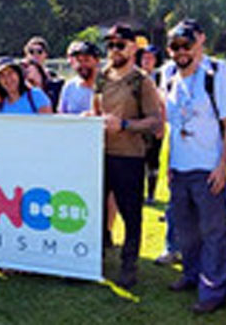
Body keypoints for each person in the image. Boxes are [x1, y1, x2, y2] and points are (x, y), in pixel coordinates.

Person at [162, 22, 226, 314]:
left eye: (187, 45)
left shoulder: (215, 74)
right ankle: (192, 274)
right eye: (175, 47)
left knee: (214, 231)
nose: (181, 52)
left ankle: (214, 289)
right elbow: (172, 126)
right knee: (186, 230)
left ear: (199, 43)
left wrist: (222, 165)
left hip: (207, 167)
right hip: (179, 167)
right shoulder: (167, 75)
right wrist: (169, 163)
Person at [91, 23, 162, 289]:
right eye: (110, 45)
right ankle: (95, 258)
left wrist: (124, 125)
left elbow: (155, 121)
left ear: (133, 48)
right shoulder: (102, 77)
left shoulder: (141, 81)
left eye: (120, 44)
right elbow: (96, 110)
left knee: (130, 214)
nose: (114, 50)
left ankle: (129, 264)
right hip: (101, 155)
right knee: (97, 210)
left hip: (130, 157)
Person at [136, 45, 164, 204]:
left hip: (154, 125)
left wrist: (161, 125)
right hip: (137, 124)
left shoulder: (161, 77)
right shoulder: (134, 77)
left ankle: (151, 193)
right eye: (144, 57)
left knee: (153, 159)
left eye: (150, 57)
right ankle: (137, 192)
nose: (146, 60)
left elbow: (163, 103)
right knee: (137, 159)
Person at [58, 41, 100, 114]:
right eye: (79, 61)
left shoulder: (107, 86)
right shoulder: (69, 87)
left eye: (86, 60)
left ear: (96, 61)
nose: (82, 65)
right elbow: (61, 114)